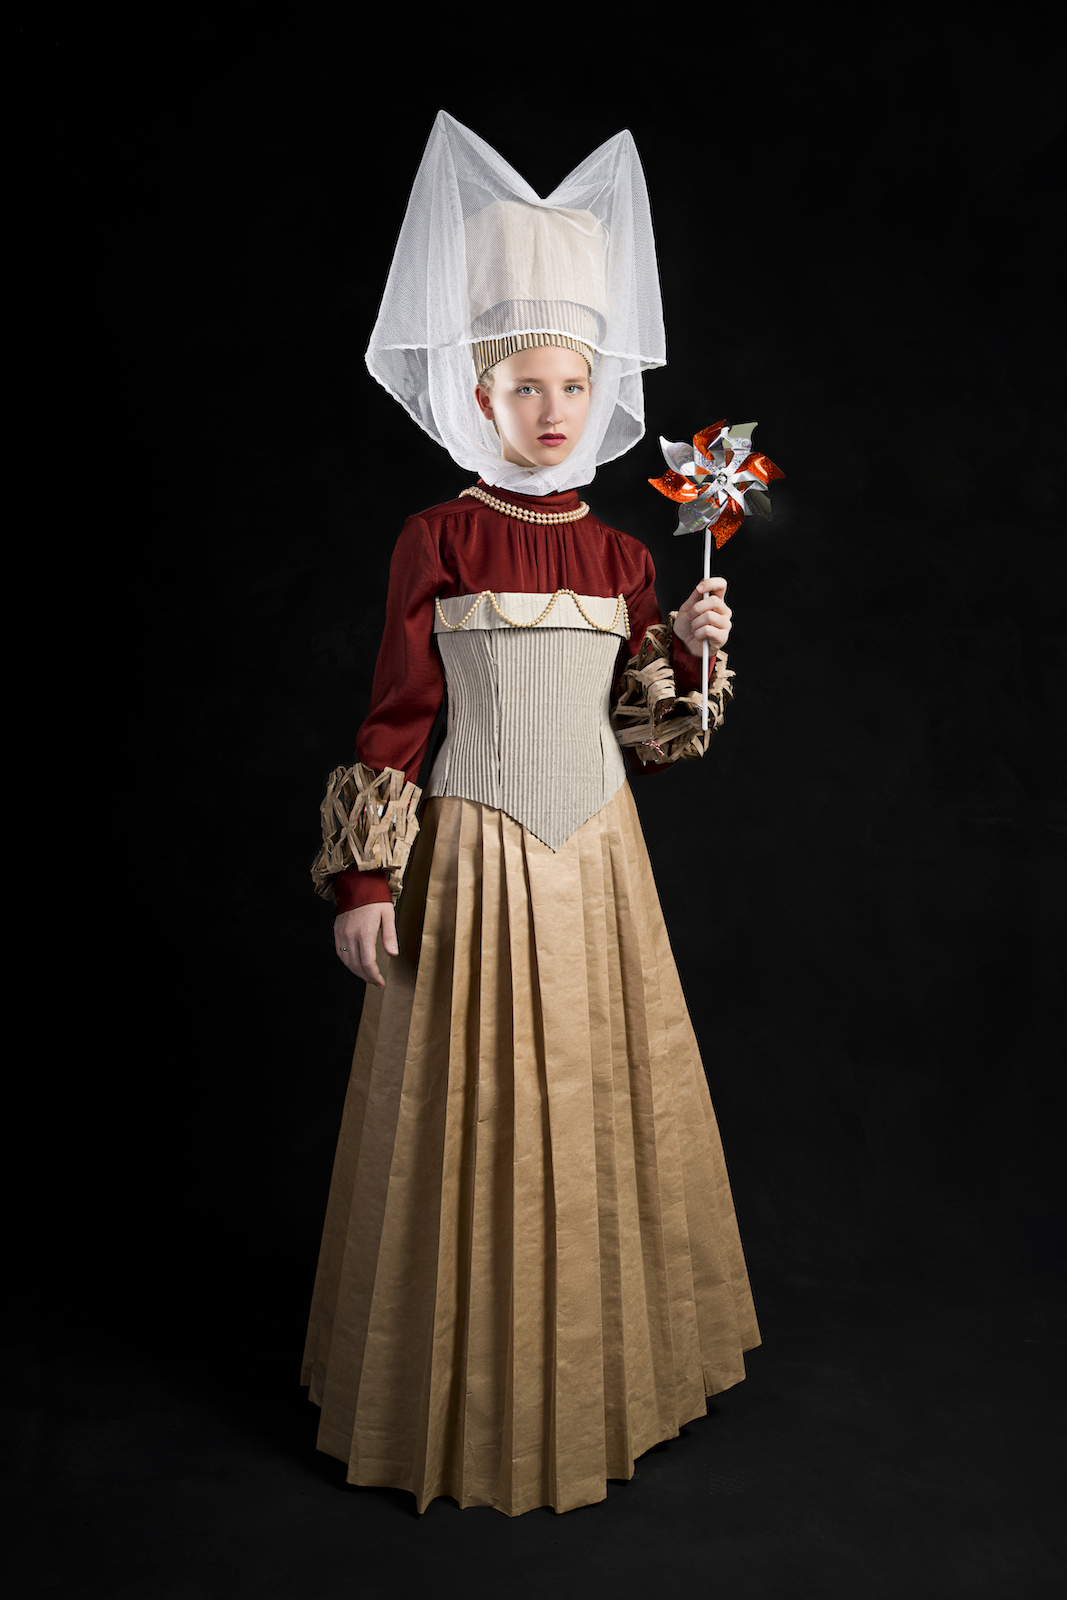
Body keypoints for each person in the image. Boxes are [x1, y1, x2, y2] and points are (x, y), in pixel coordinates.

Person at [301, 112, 760, 1517]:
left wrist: (688, 649)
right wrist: (366, 882)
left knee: (607, 1106)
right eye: (526, 387)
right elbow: (399, 711)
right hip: (473, 862)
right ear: (480, 394)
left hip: (598, 867)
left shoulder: (627, 554)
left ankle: (605, 1380)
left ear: (599, 392)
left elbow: (649, 737)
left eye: (574, 384)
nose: (555, 410)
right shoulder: (435, 539)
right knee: (469, 1114)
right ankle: (454, 1395)